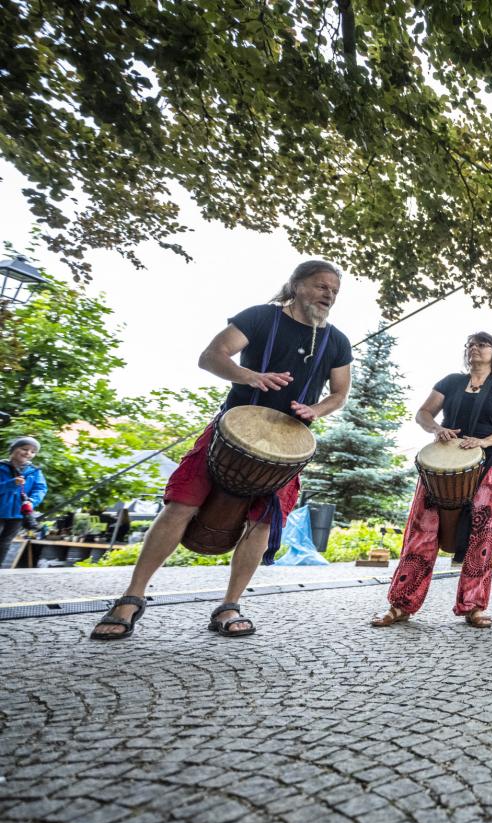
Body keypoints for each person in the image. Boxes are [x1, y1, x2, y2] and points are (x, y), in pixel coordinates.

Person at [90, 260, 353, 639]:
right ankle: (131, 597)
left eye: (334, 291)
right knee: (181, 505)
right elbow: (212, 356)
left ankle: (229, 605)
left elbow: (340, 394)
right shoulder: (260, 317)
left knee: (263, 523)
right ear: (296, 285)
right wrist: (251, 377)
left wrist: (317, 409)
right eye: (321, 286)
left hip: (288, 446)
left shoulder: (337, 341)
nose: (329, 295)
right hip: (232, 430)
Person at [373, 332, 492, 629]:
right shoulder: (451, 381)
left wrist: (485, 441)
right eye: (470, 345)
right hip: (441, 469)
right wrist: (436, 429)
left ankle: (474, 606)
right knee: (421, 534)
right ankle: (400, 604)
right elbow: (423, 413)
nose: (474, 348)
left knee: (482, 539)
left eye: (482, 344)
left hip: (487, 467)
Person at [1, 437, 47, 564]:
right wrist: (11, 484)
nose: (28, 453)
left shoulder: (35, 471)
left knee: (5, 542)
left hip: (18, 513)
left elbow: (40, 489)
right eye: (25, 449)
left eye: (33, 452)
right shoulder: (1, 467)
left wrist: (32, 501)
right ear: (13, 450)